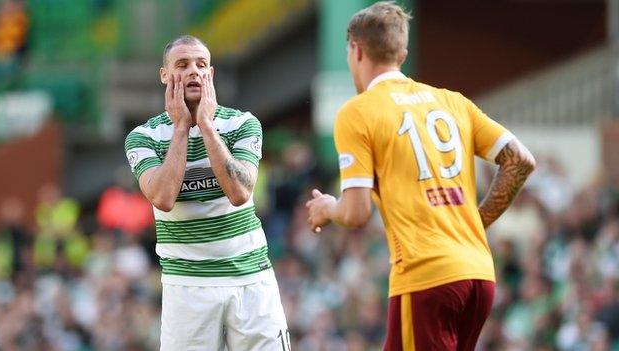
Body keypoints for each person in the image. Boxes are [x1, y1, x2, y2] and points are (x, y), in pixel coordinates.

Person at [306, 2, 536, 350]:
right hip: (478, 274)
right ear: (403, 52)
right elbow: (520, 160)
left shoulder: (358, 112)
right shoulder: (453, 102)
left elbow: (355, 213)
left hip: (427, 278)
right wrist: (474, 222)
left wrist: (327, 208)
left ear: (355, 50)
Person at [124, 35, 289, 350]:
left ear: (211, 75)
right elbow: (162, 197)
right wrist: (183, 127)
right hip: (188, 285)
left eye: (201, 65)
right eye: (182, 65)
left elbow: (240, 192)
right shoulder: (143, 137)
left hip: (250, 278)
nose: (194, 72)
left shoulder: (243, 123)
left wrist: (206, 126)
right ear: (164, 76)